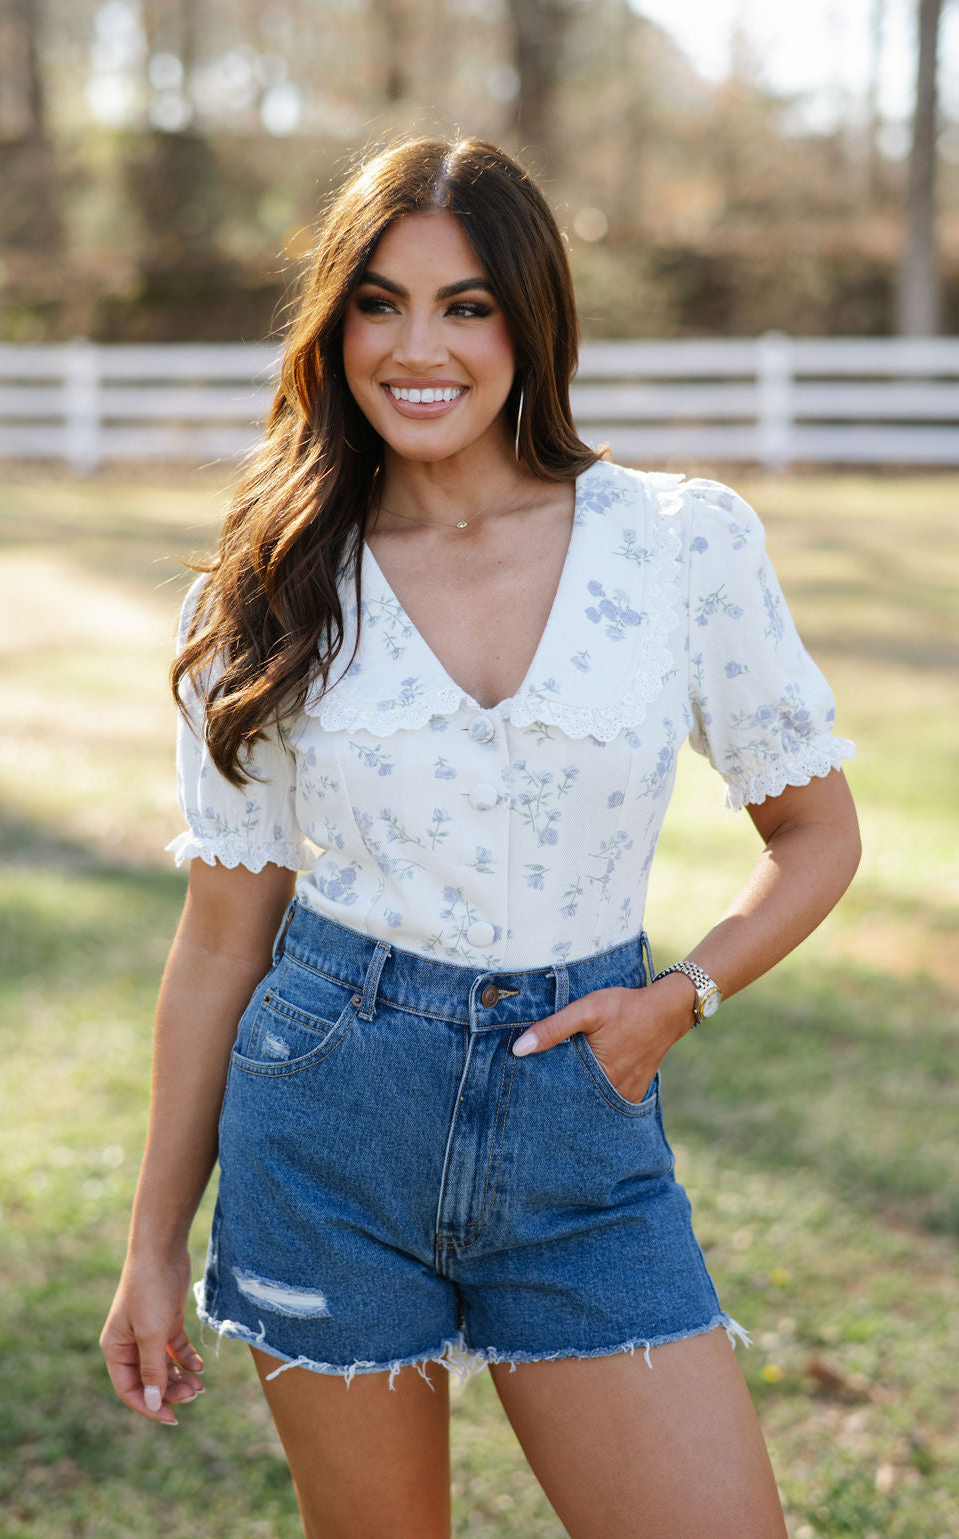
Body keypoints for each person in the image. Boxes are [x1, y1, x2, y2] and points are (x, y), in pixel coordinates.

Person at [100, 136, 860, 1539]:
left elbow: (814, 829)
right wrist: (151, 1246)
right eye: (379, 302)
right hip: (325, 1115)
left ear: (531, 319)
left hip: (585, 1122)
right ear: (334, 327)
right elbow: (218, 946)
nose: (417, 347)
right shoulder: (277, 583)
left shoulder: (677, 544)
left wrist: (678, 1001)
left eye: (467, 305)